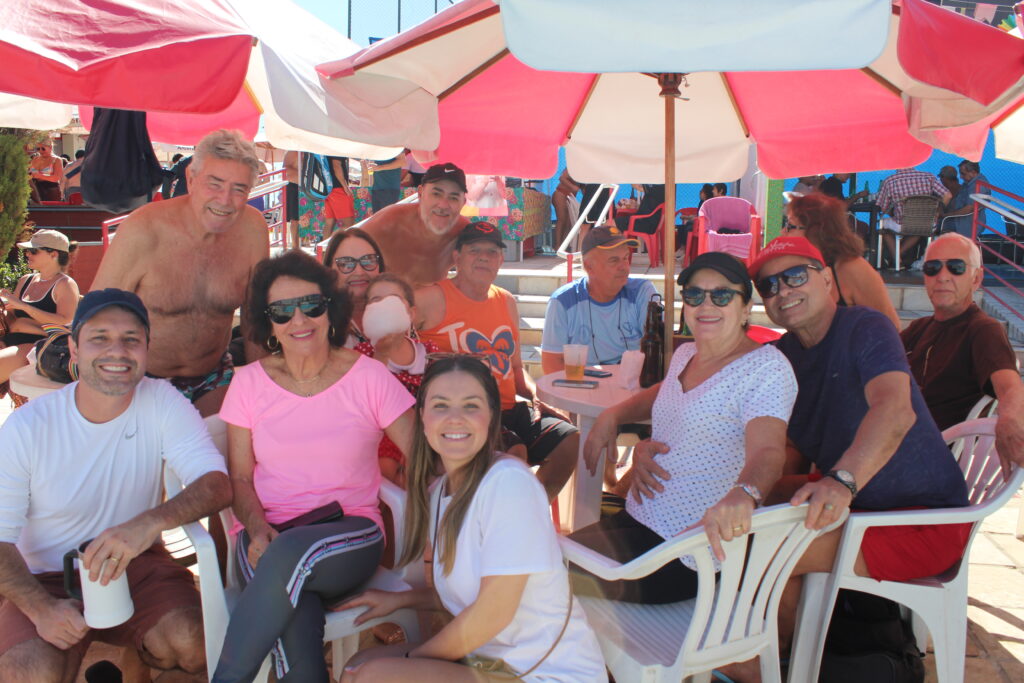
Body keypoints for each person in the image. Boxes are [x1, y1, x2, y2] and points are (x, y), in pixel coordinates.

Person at [726, 236, 971, 681]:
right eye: (769, 285)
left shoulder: (865, 327)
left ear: (827, 280)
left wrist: (841, 481)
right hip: (863, 509)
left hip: (924, 520)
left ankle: (759, 665)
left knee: (768, 549)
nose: (783, 290)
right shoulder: (784, 356)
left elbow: (895, 410)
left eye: (795, 276)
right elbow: (756, 428)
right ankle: (781, 653)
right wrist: (628, 421)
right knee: (742, 512)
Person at [0, 289, 231, 682]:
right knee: (28, 672)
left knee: (193, 644)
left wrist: (147, 524)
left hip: (136, 564)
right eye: (100, 338)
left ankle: (131, 665)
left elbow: (216, 485)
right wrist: (40, 609)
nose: (117, 352)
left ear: (146, 349)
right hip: (47, 578)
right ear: (74, 349)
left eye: (131, 339)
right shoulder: (29, 426)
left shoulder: (162, 400)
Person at [210, 251, 416, 683]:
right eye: (282, 311)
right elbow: (241, 478)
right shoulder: (248, 383)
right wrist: (257, 527)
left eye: (311, 305)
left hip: (349, 532)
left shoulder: (370, 377)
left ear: (330, 309)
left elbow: (423, 456)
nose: (299, 320)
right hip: (265, 535)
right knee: (295, 621)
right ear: (267, 322)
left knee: (287, 556)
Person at [339, 355, 607, 683]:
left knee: (374, 676)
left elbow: (492, 613)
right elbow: (463, 594)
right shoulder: (442, 491)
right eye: (440, 405)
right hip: (494, 664)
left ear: (492, 417)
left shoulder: (509, 484)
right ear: (422, 417)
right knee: (358, 668)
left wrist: (411, 662)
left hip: (550, 674)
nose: (455, 419)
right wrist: (399, 600)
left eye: (470, 406)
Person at [569, 252, 797, 604]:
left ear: (745, 308)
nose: (706, 304)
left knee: (544, 574)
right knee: (546, 558)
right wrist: (613, 415)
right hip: (641, 517)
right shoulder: (686, 354)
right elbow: (666, 392)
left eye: (722, 295)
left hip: (687, 550)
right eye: (694, 294)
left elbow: (768, 451)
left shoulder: (766, 369)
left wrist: (745, 494)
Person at [91, 129, 270, 416]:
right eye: (215, 184)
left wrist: (263, 390)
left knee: (224, 444)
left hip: (213, 376)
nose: (225, 200)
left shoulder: (253, 230)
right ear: (191, 178)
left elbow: (254, 316)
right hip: (140, 380)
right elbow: (95, 316)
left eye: (239, 189)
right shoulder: (143, 229)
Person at [417, 222, 580, 500]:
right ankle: (505, 514)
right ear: (456, 257)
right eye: (474, 250)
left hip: (509, 409)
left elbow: (515, 368)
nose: (484, 257)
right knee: (513, 459)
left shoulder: (505, 301)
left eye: (491, 252)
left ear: (501, 259)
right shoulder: (430, 298)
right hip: (464, 414)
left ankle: (530, 509)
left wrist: (537, 397)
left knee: (569, 441)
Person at [901, 233, 1024, 467]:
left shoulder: (983, 329)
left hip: (930, 463)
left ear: (976, 278)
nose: (942, 277)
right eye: (932, 268)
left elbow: (1010, 387)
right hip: (894, 445)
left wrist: (1010, 422)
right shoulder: (919, 328)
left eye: (956, 267)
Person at [357, 273, 441, 484]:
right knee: (386, 465)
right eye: (376, 301)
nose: (385, 307)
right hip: (382, 434)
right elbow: (364, 400)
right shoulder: (361, 355)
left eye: (393, 300)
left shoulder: (428, 353)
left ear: (411, 313)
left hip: (423, 431)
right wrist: (381, 355)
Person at [541, 225, 655, 372]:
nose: (624, 267)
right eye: (614, 260)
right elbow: (551, 363)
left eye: (626, 258)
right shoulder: (562, 302)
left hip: (634, 382)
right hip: (584, 384)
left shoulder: (642, 292)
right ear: (589, 266)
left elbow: (660, 350)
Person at [783, 193, 900, 328]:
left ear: (815, 231)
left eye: (790, 226)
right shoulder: (802, 265)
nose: (783, 232)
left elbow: (890, 327)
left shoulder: (851, 268)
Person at [361, 162, 470, 287]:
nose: (443, 205)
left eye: (453, 198)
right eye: (436, 194)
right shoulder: (389, 222)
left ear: (463, 202)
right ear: (420, 193)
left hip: (430, 298)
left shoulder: (464, 234)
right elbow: (346, 249)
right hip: (383, 296)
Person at [0, 230, 80, 393]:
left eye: (33, 251)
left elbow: (65, 321)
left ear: (53, 254)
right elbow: (13, 315)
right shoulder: (26, 280)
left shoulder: (65, 284)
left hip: (40, 347)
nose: (27, 254)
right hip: (13, 340)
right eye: (27, 250)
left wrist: (24, 307)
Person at [322, 228, 386, 347]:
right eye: (346, 264)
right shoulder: (320, 320)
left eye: (368, 261)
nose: (359, 272)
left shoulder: (398, 308)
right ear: (329, 270)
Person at [876, 166, 951, 266]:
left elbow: (881, 207)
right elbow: (948, 195)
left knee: (882, 224)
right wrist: (937, 212)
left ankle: (895, 257)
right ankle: (898, 255)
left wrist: (893, 212)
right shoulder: (929, 177)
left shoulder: (890, 181)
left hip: (902, 224)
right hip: (926, 223)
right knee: (918, 227)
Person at [941, 160, 991, 237]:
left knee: (934, 225)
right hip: (959, 219)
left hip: (965, 223)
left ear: (973, 172)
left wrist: (947, 215)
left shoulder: (978, 186)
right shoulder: (969, 183)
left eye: (963, 174)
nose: (960, 177)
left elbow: (969, 208)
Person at [323, 156, 355, 236]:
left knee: (329, 223)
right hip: (338, 188)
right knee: (348, 225)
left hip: (328, 188)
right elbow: (336, 165)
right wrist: (345, 186)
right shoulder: (338, 149)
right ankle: (336, 241)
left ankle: (326, 244)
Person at [283, 150, 301, 248]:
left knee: (299, 219)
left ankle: (297, 246)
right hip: (294, 185)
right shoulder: (292, 151)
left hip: (304, 186)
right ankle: (295, 246)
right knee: (295, 219)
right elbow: (285, 171)